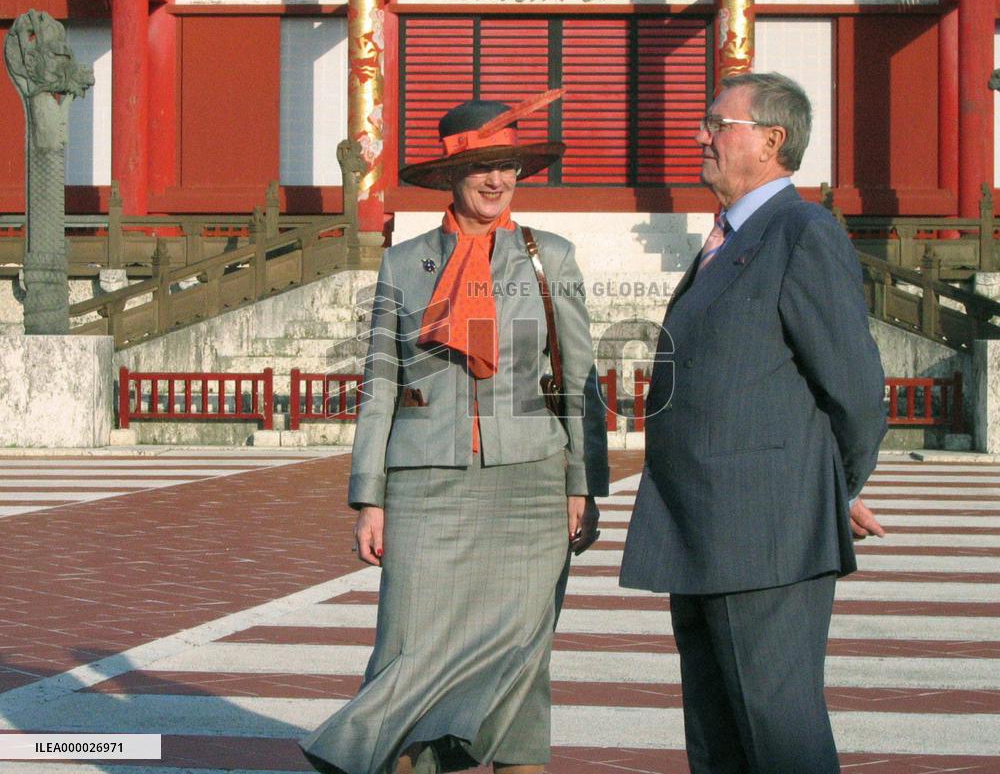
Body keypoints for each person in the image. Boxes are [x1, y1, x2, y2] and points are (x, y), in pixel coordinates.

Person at [301, 91, 609, 774]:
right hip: (424, 487)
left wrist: (581, 486)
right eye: (482, 168)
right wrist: (368, 497)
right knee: (407, 657)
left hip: (530, 485)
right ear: (451, 176)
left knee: (521, 667)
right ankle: (361, 752)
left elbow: (578, 380)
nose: (497, 181)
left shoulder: (548, 257)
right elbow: (380, 385)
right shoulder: (403, 264)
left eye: (509, 167)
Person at [619, 72, 888, 772]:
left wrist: (831, 484)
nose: (699, 136)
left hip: (765, 527)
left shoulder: (800, 230)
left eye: (717, 123)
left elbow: (855, 388)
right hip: (700, 521)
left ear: (771, 140)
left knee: (777, 730)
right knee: (717, 731)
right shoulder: (729, 236)